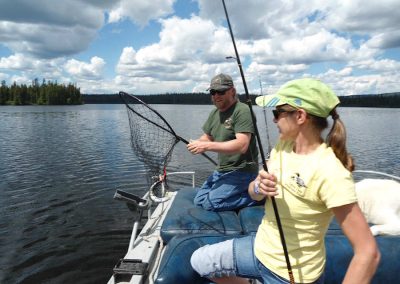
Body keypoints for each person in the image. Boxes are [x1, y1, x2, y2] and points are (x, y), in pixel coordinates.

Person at [190, 78, 380, 283]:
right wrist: (258, 186)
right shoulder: (283, 146)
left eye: (277, 113)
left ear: (299, 116)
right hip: (259, 248)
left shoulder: (330, 171)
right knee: (199, 261)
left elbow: (368, 252)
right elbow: (253, 192)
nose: (274, 120)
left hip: (292, 274)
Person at [187, 73, 260, 211]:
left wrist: (206, 146)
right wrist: (196, 143)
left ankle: (257, 197)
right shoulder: (215, 113)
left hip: (242, 171)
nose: (216, 96)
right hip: (222, 170)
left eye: (220, 91)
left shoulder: (242, 110)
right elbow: (207, 137)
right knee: (199, 201)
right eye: (213, 92)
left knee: (211, 204)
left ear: (232, 91)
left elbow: (242, 145)